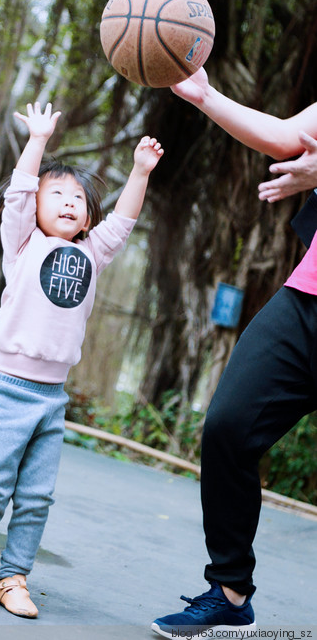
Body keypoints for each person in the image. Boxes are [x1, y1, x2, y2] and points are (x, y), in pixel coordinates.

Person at [0, 101, 163, 618]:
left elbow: (125, 220)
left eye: (78, 198)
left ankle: (12, 578)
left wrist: (138, 171)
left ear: (89, 214)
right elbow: (20, 192)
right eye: (56, 194)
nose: (68, 202)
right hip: (7, 386)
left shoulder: (93, 253)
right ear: (36, 206)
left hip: (50, 397)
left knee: (38, 496)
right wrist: (38, 140)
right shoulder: (22, 243)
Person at [152, 68, 317, 638]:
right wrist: (205, 95)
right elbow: (286, 136)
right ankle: (229, 593)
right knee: (228, 427)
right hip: (307, 300)